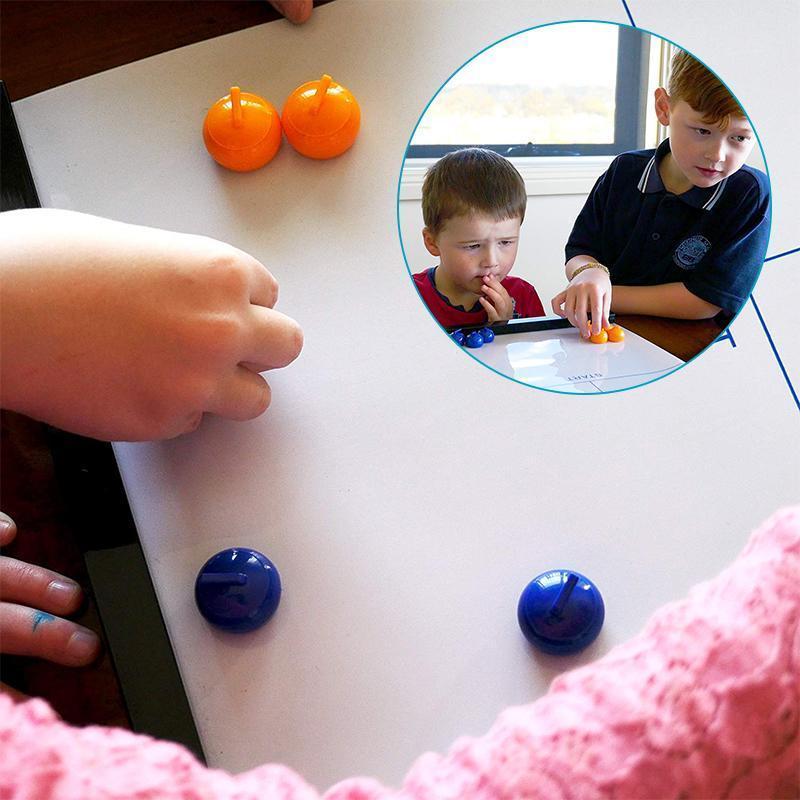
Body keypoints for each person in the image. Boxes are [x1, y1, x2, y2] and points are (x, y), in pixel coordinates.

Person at [551, 49, 770, 338]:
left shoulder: (750, 193)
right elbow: (581, 249)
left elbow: (706, 300)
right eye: (702, 131)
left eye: (739, 138)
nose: (717, 155)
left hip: (693, 346)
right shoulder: (624, 170)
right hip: (607, 332)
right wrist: (588, 272)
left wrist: (604, 293)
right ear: (664, 108)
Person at [413, 148, 545, 329]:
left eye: (505, 242)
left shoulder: (523, 297)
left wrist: (507, 326)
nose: (491, 261)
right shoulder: (410, 298)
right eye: (473, 245)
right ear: (432, 242)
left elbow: (535, 354)